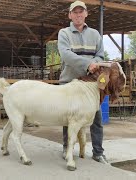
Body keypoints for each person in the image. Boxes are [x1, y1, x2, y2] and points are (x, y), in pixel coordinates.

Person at [57, 0, 108, 164]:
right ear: (70, 15)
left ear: (86, 13)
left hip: (91, 85)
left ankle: (98, 152)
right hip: (69, 82)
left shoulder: (95, 34)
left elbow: (100, 55)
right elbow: (65, 55)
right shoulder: (64, 33)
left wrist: (95, 64)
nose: (78, 15)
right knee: (68, 118)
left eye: (81, 12)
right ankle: (67, 148)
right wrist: (88, 64)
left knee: (96, 117)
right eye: (75, 12)